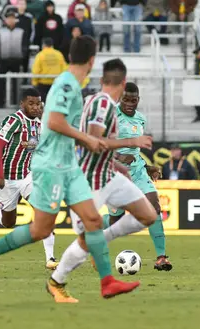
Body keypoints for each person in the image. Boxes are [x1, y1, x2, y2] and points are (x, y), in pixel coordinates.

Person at [0, 36, 140, 301]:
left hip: (69, 165)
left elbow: (73, 127)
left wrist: (111, 159)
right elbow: (55, 122)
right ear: (92, 59)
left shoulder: (72, 85)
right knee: (40, 229)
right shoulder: (65, 85)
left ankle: (107, 281)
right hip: (51, 166)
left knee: (93, 220)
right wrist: (89, 139)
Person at [49, 60, 158, 302]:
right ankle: (57, 281)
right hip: (89, 180)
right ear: (123, 82)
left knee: (149, 215)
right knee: (83, 238)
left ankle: (102, 239)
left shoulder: (100, 103)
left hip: (109, 174)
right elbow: (94, 142)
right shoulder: (102, 104)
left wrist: (119, 166)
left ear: (102, 80)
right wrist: (133, 142)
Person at [0, 88, 58, 270]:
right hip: (6, 179)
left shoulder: (40, 124)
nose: (35, 107)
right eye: (31, 103)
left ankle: (50, 259)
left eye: (38, 103)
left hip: (27, 177)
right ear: (22, 104)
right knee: (9, 223)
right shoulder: (14, 121)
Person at [105, 82, 172, 271]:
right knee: (115, 221)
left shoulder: (140, 119)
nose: (129, 104)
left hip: (137, 171)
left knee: (154, 207)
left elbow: (133, 150)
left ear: (138, 100)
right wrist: (118, 156)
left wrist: (147, 166)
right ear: (120, 98)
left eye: (133, 100)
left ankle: (161, 258)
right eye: (126, 99)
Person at [0, 12, 29, 108]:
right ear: (5, 20)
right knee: (1, 82)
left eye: (12, 18)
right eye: (9, 18)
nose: (10, 20)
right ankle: (0, 103)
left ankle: (15, 102)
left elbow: (25, 45)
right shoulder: (0, 31)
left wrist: (22, 55)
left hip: (16, 60)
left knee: (16, 83)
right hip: (3, 60)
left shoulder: (21, 31)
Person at [15, 0, 36, 76]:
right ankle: (15, 84)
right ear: (17, 5)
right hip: (15, 46)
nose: (21, 6)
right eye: (20, 4)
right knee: (15, 66)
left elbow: (33, 30)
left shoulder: (29, 17)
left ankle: (24, 81)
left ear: (26, 5)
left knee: (25, 66)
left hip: (25, 45)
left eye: (23, 4)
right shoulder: (13, 17)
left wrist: (29, 41)